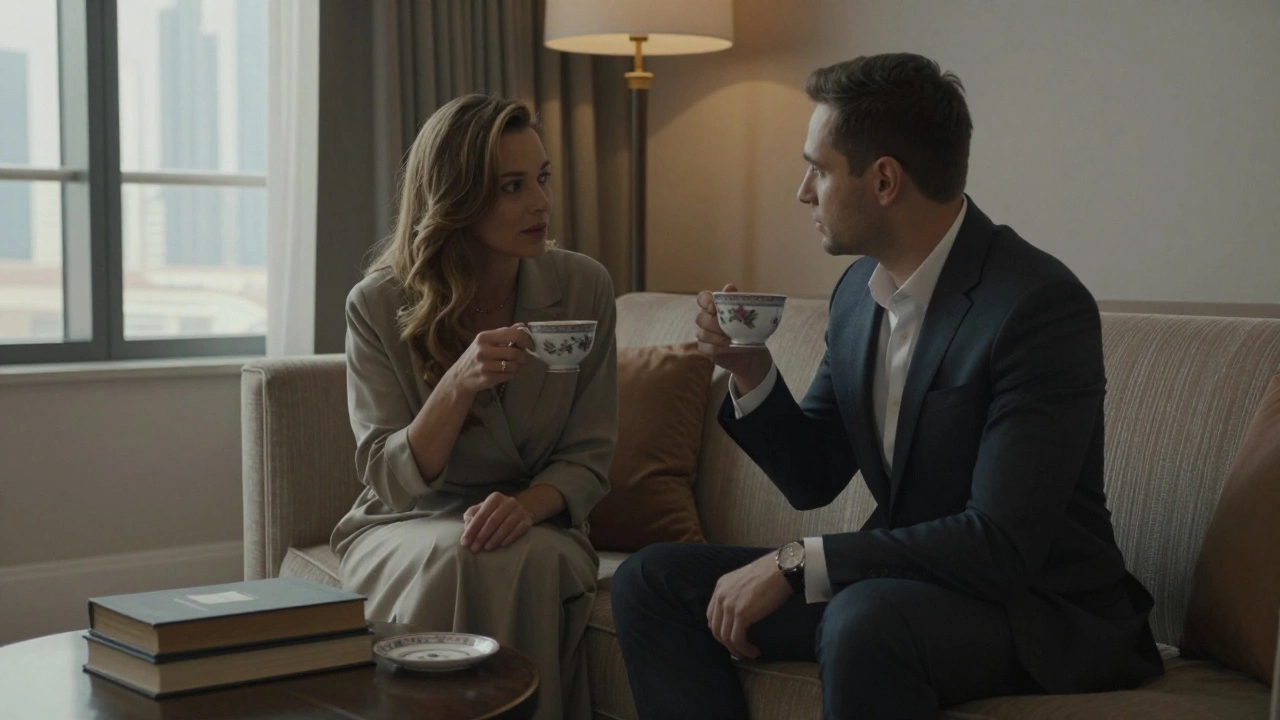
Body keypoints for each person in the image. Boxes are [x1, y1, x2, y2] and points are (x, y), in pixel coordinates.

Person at [611, 53, 1163, 720]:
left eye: (817, 168)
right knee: (652, 581)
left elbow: (1000, 546)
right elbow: (815, 475)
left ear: (883, 181)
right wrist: (751, 371)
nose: (803, 192)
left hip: (1036, 610)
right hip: (899, 590)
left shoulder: (1036, 307)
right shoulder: (856, 296)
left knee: (864, 619)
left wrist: (794, 561)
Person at [331, 93, 617, 720]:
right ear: (456, 200)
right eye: (512, 187)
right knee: (458, 555)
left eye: (541, 178)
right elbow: (388, 476)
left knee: (520, 558)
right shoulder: (377, 303)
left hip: (539, 520)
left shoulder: (583, 285)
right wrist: (457, 383)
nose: (541, 203)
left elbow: (589, 458)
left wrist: (523, 507)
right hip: (404, 522)